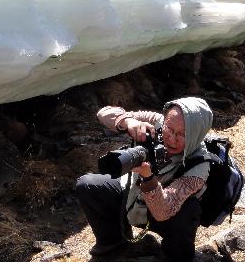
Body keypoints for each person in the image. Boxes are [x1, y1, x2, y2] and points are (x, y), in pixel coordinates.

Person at [75, 97, 213, 262]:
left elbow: (163, 212)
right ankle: (114, 247)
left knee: (188, 210)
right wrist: (128, 121)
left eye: (182, 134)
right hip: (133, 196)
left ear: (196, 134)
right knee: (88, 185)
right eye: (169, 129)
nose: (171, 139)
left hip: (165, 214)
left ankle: (176, 256)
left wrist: (148, 178)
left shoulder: (200, 165)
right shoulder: (158, 122)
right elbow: (103, 113)